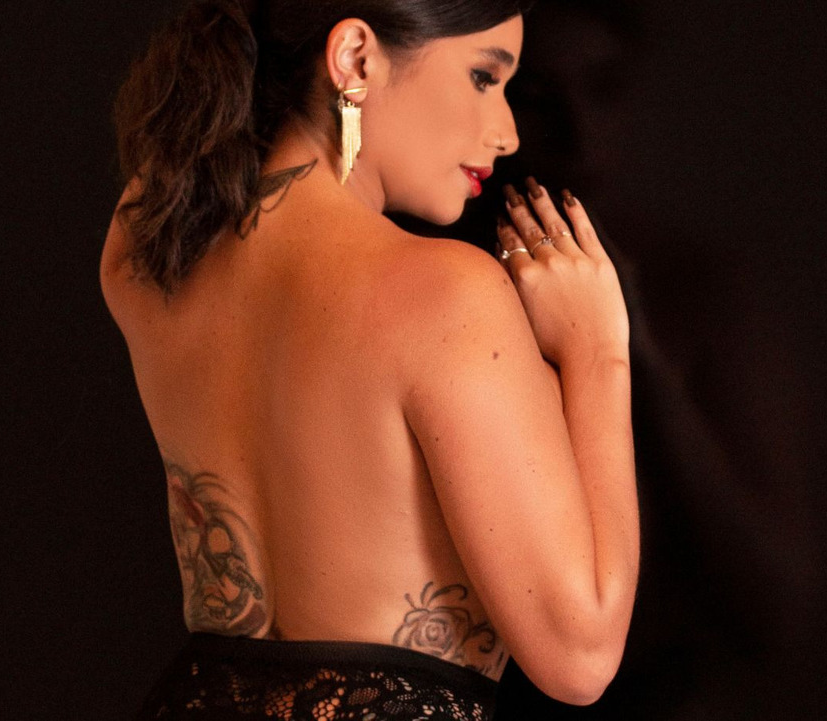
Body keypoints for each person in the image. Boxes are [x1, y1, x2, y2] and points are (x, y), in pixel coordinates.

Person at [100, 0, 640, 718]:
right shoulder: (445, 295)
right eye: (484, 77)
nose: (507, 132)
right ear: (355, 57)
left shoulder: (144, 245)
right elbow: (581, 657)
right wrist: (597, 351)